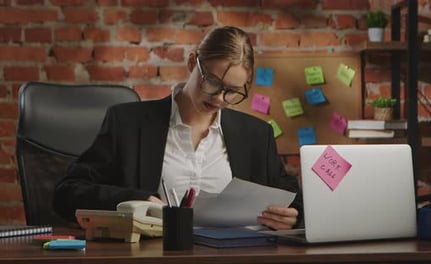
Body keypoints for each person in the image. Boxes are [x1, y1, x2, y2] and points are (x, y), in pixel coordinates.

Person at [53, 26, 303, 230]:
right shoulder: (128, 123)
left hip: (232, 256)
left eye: (232, 92)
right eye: (213, 83)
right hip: (152, 256)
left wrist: (293, 216)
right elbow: (67, 193)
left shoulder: (256, 135)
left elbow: (293, 198)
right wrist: (135, 201)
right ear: (193, 62)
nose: (219, 98)